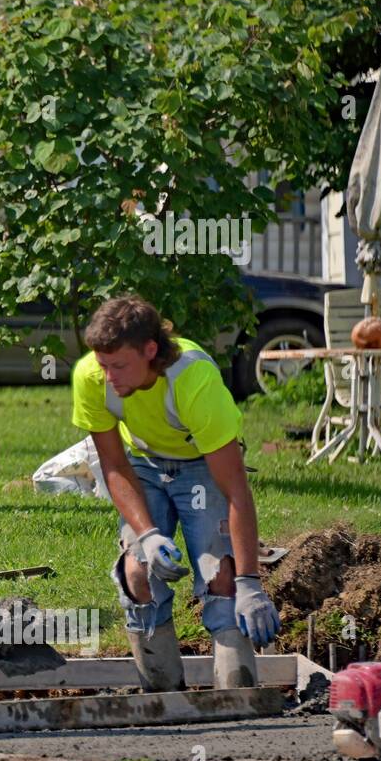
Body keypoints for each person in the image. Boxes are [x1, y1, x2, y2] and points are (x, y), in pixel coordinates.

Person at [71, 295, 280, 691]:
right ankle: (164, 696)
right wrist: (148, 536)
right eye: (103, 365)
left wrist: (250, 582)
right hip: (142, 465)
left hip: (201, 463)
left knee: (221, 576)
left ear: (150, 350)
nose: (109, 376)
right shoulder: (92, 376)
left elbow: (235, 489)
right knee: (137, 572)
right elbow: (114, 466)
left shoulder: (194, 380)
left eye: (119, 366)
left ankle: (237, 697)